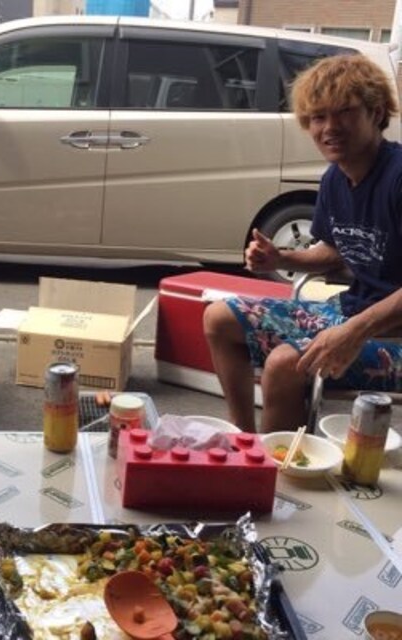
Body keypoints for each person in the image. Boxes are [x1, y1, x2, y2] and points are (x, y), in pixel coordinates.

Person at [203, 53, 402, 433]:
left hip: (391, 333)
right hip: (351, 312)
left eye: (344, 112)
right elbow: (337, 250)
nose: (329, 127)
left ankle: (279, 469)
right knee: (219, 318)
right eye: (317, 117)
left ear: (376, 112)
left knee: (284, 364)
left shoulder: (397, 177)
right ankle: (245, 441)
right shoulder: (334, 179)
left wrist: (354, 331)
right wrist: (280, 258)